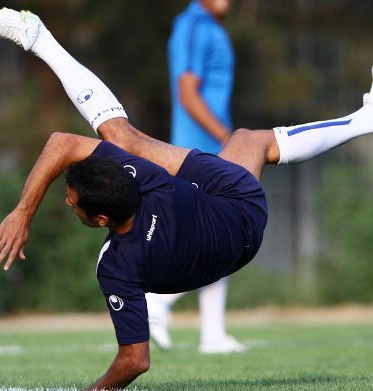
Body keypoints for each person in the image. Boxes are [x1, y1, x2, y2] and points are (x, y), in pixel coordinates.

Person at [0, 7, 373, 390]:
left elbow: (135, 360)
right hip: (238, 207)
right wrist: (22, 213)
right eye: (72, 201)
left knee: (173, 139)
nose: (67, 202)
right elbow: (62, 142)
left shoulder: (114, 267)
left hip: (231, 252)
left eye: (70, 200)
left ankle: (38, 37)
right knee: (244, 140)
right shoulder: (149, 182)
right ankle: (369, 116)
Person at [145, 0, 241, 354]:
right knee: (220, 235)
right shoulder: (193, 25)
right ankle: (158, 303)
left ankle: (212, 334)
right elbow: (187, 92)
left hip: (210, 149)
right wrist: (225, 135)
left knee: (221, 233)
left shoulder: (213, 27)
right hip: (197, 150)